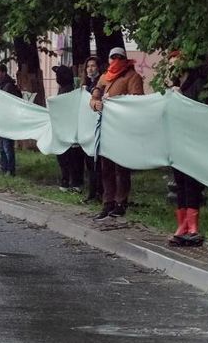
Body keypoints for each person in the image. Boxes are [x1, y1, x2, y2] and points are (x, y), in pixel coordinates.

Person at [89, 45, 145, 220]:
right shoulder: (105, 77)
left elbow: (137, 101)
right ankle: (108, 202)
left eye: (119, 57)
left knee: (121, 167)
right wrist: (95, 103)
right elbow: (94, 95)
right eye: (113, 57)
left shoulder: (132, 77)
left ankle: (121, 202)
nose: (115, 61)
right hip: (106, 127)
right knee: (106, 168)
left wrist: (117, 103)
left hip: (122, 128)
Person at [168, 53, 208, 247]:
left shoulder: (201, 84)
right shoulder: (175, 85)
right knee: (179, 181)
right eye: (170, 65)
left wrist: (180, 98)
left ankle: (193, 226)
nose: (173, 68)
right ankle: (182, 225)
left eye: (176, 63)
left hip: (194, 140)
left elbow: (204, 111)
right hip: (177, 139)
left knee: (191, 182)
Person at [52, 64, 86, 190]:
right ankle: (68, 180)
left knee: (71, 158)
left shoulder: (69, 91)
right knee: (66, 157)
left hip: (70, 131)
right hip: (63, 130)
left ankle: (74, 182)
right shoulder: (63, 90)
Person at [0, 62, 22, 176]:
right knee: (1, 147)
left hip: (7, 120)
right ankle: (4, 168)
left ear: (4, 73)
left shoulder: (8, 86)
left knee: (7, 146)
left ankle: (10, 169)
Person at [81, 55, 103, 202]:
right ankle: (92, 192)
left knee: (97, 163)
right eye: (88, 66)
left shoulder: (101, 83)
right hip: (87, 128)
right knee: (89, 162)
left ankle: (99, 192)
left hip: (98, 128)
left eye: (93, 66)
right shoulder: (86, 84)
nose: (90, 68)